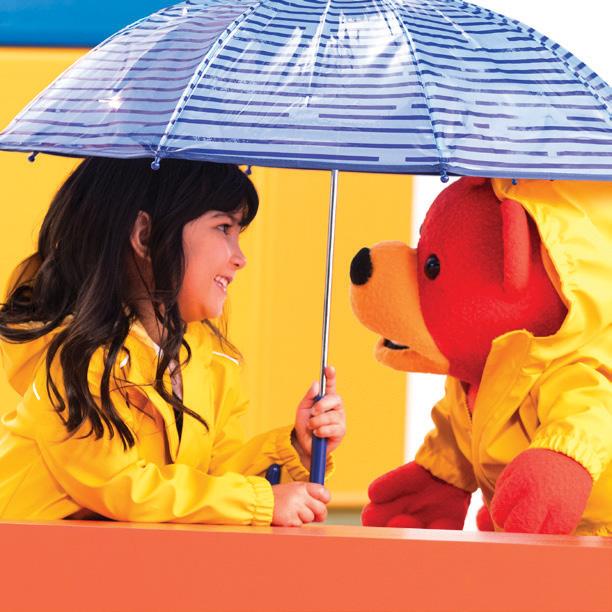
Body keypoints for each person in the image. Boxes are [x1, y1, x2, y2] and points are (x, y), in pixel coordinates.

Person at [0, 157, 346, 526]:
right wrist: (257, 501)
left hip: (120, 557)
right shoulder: (74, 361)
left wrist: (295, 449)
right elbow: (124, 488)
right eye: (223, 228)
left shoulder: (210, 364)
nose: (240, 258)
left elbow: (212, 481)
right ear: (145, 235)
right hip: (28, 555)